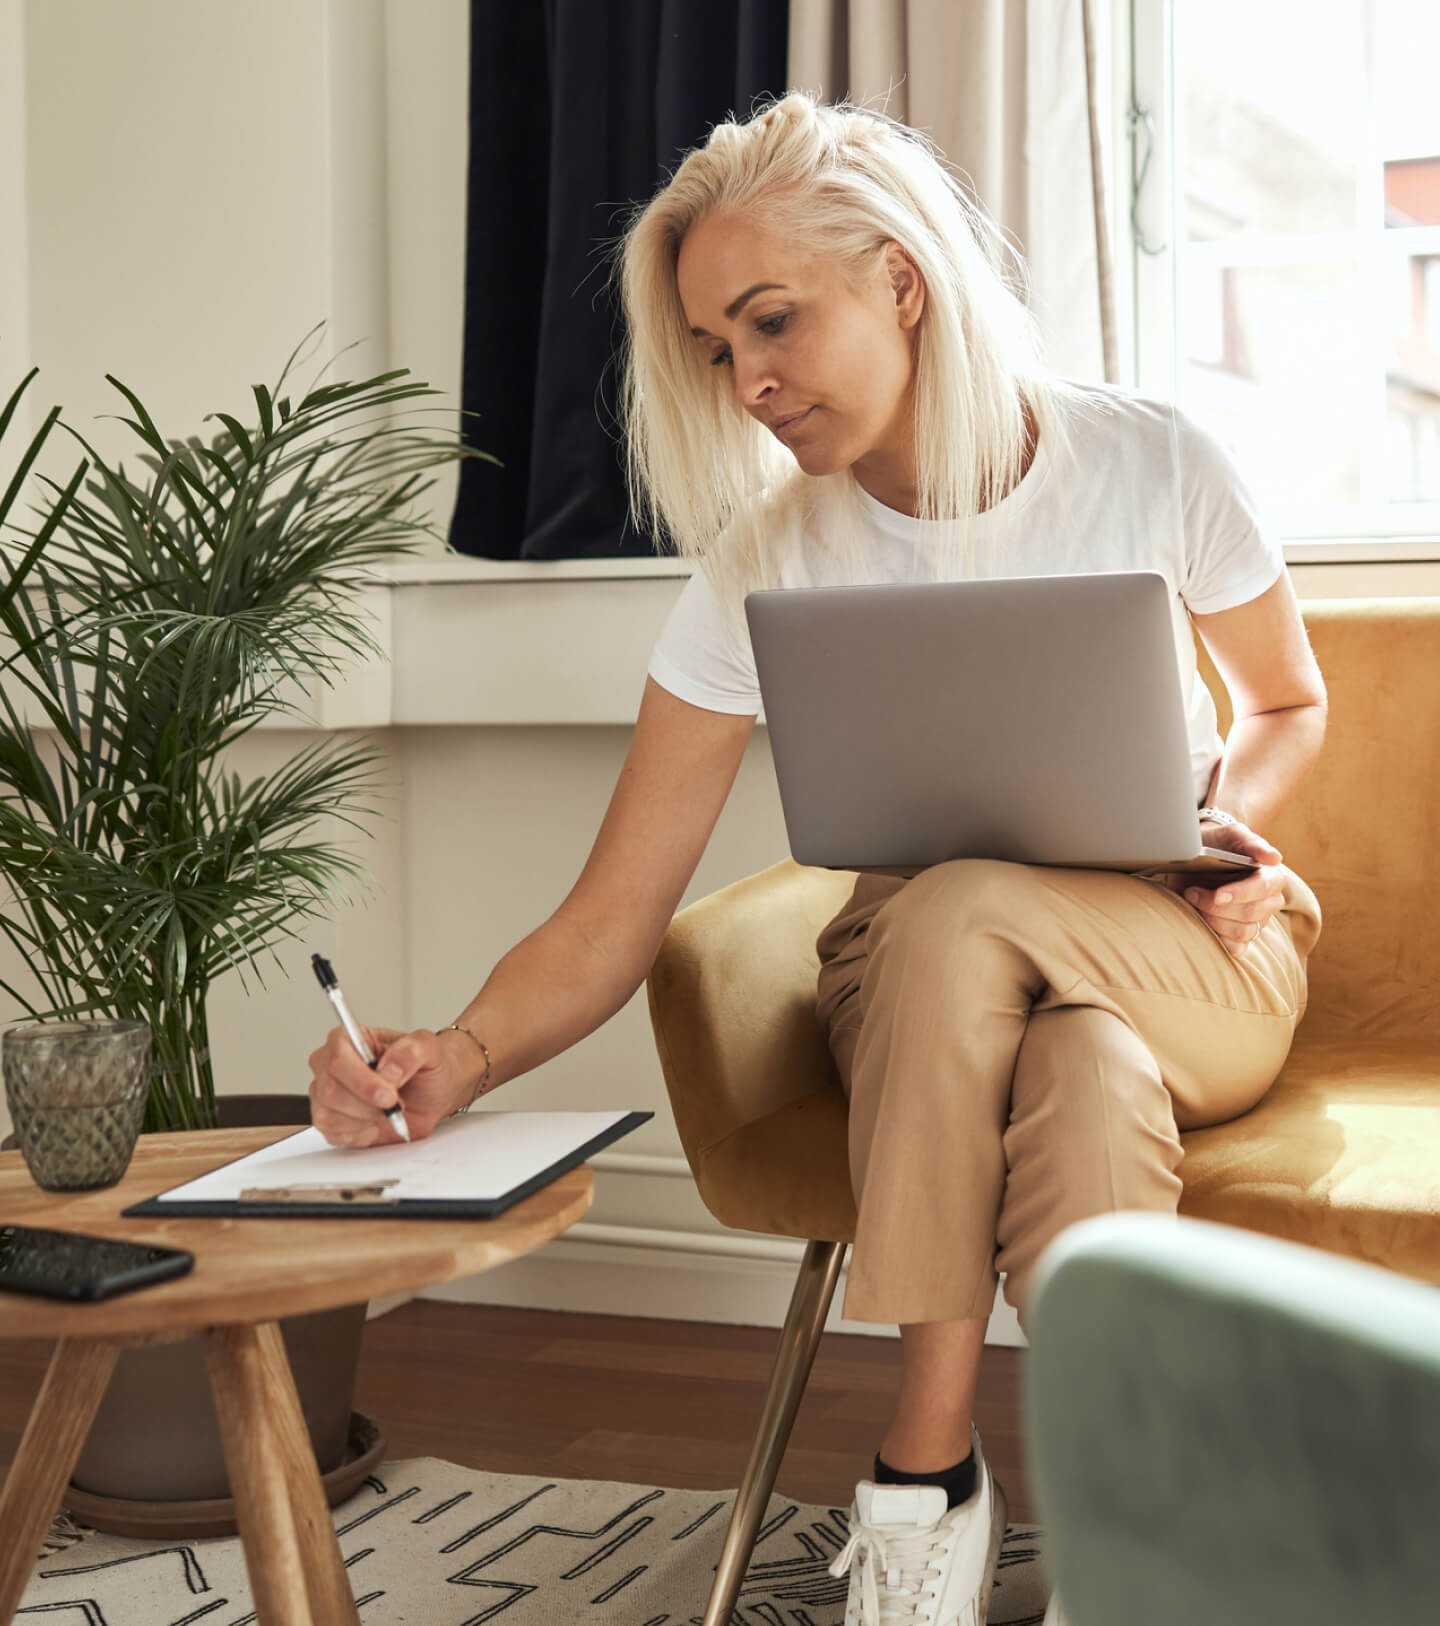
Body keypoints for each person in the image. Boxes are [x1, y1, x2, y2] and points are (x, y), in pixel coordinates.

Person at [307, 90, 1326, 1626]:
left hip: (1189, 948)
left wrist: (1226, 822)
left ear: (900, 279)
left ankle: (924, 1468)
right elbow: (615, 909)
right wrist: (456, 1052)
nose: (751, 382)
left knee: (964, 908)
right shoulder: (768, 561)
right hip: (922, 991)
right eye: (719, 348)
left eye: (773, 320)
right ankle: (1135, 1535)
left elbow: (1290, 702)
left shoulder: (1148, 459)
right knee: (1072, 1065)